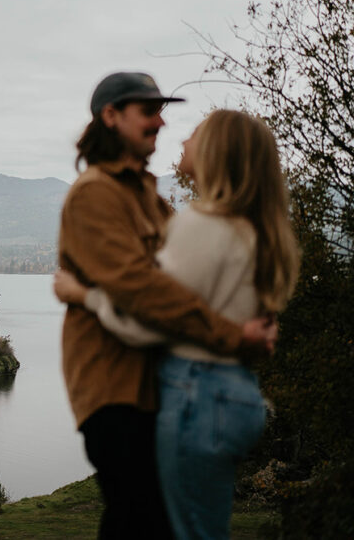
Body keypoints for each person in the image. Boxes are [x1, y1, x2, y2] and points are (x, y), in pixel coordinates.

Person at [55, 109, 299, 539]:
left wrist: (85, 295)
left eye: (195, 133)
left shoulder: (202, 225)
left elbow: (148, 319)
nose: (180, 138)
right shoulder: (255, 228)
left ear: (216, 152)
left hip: (197, 394)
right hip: (234, 391)